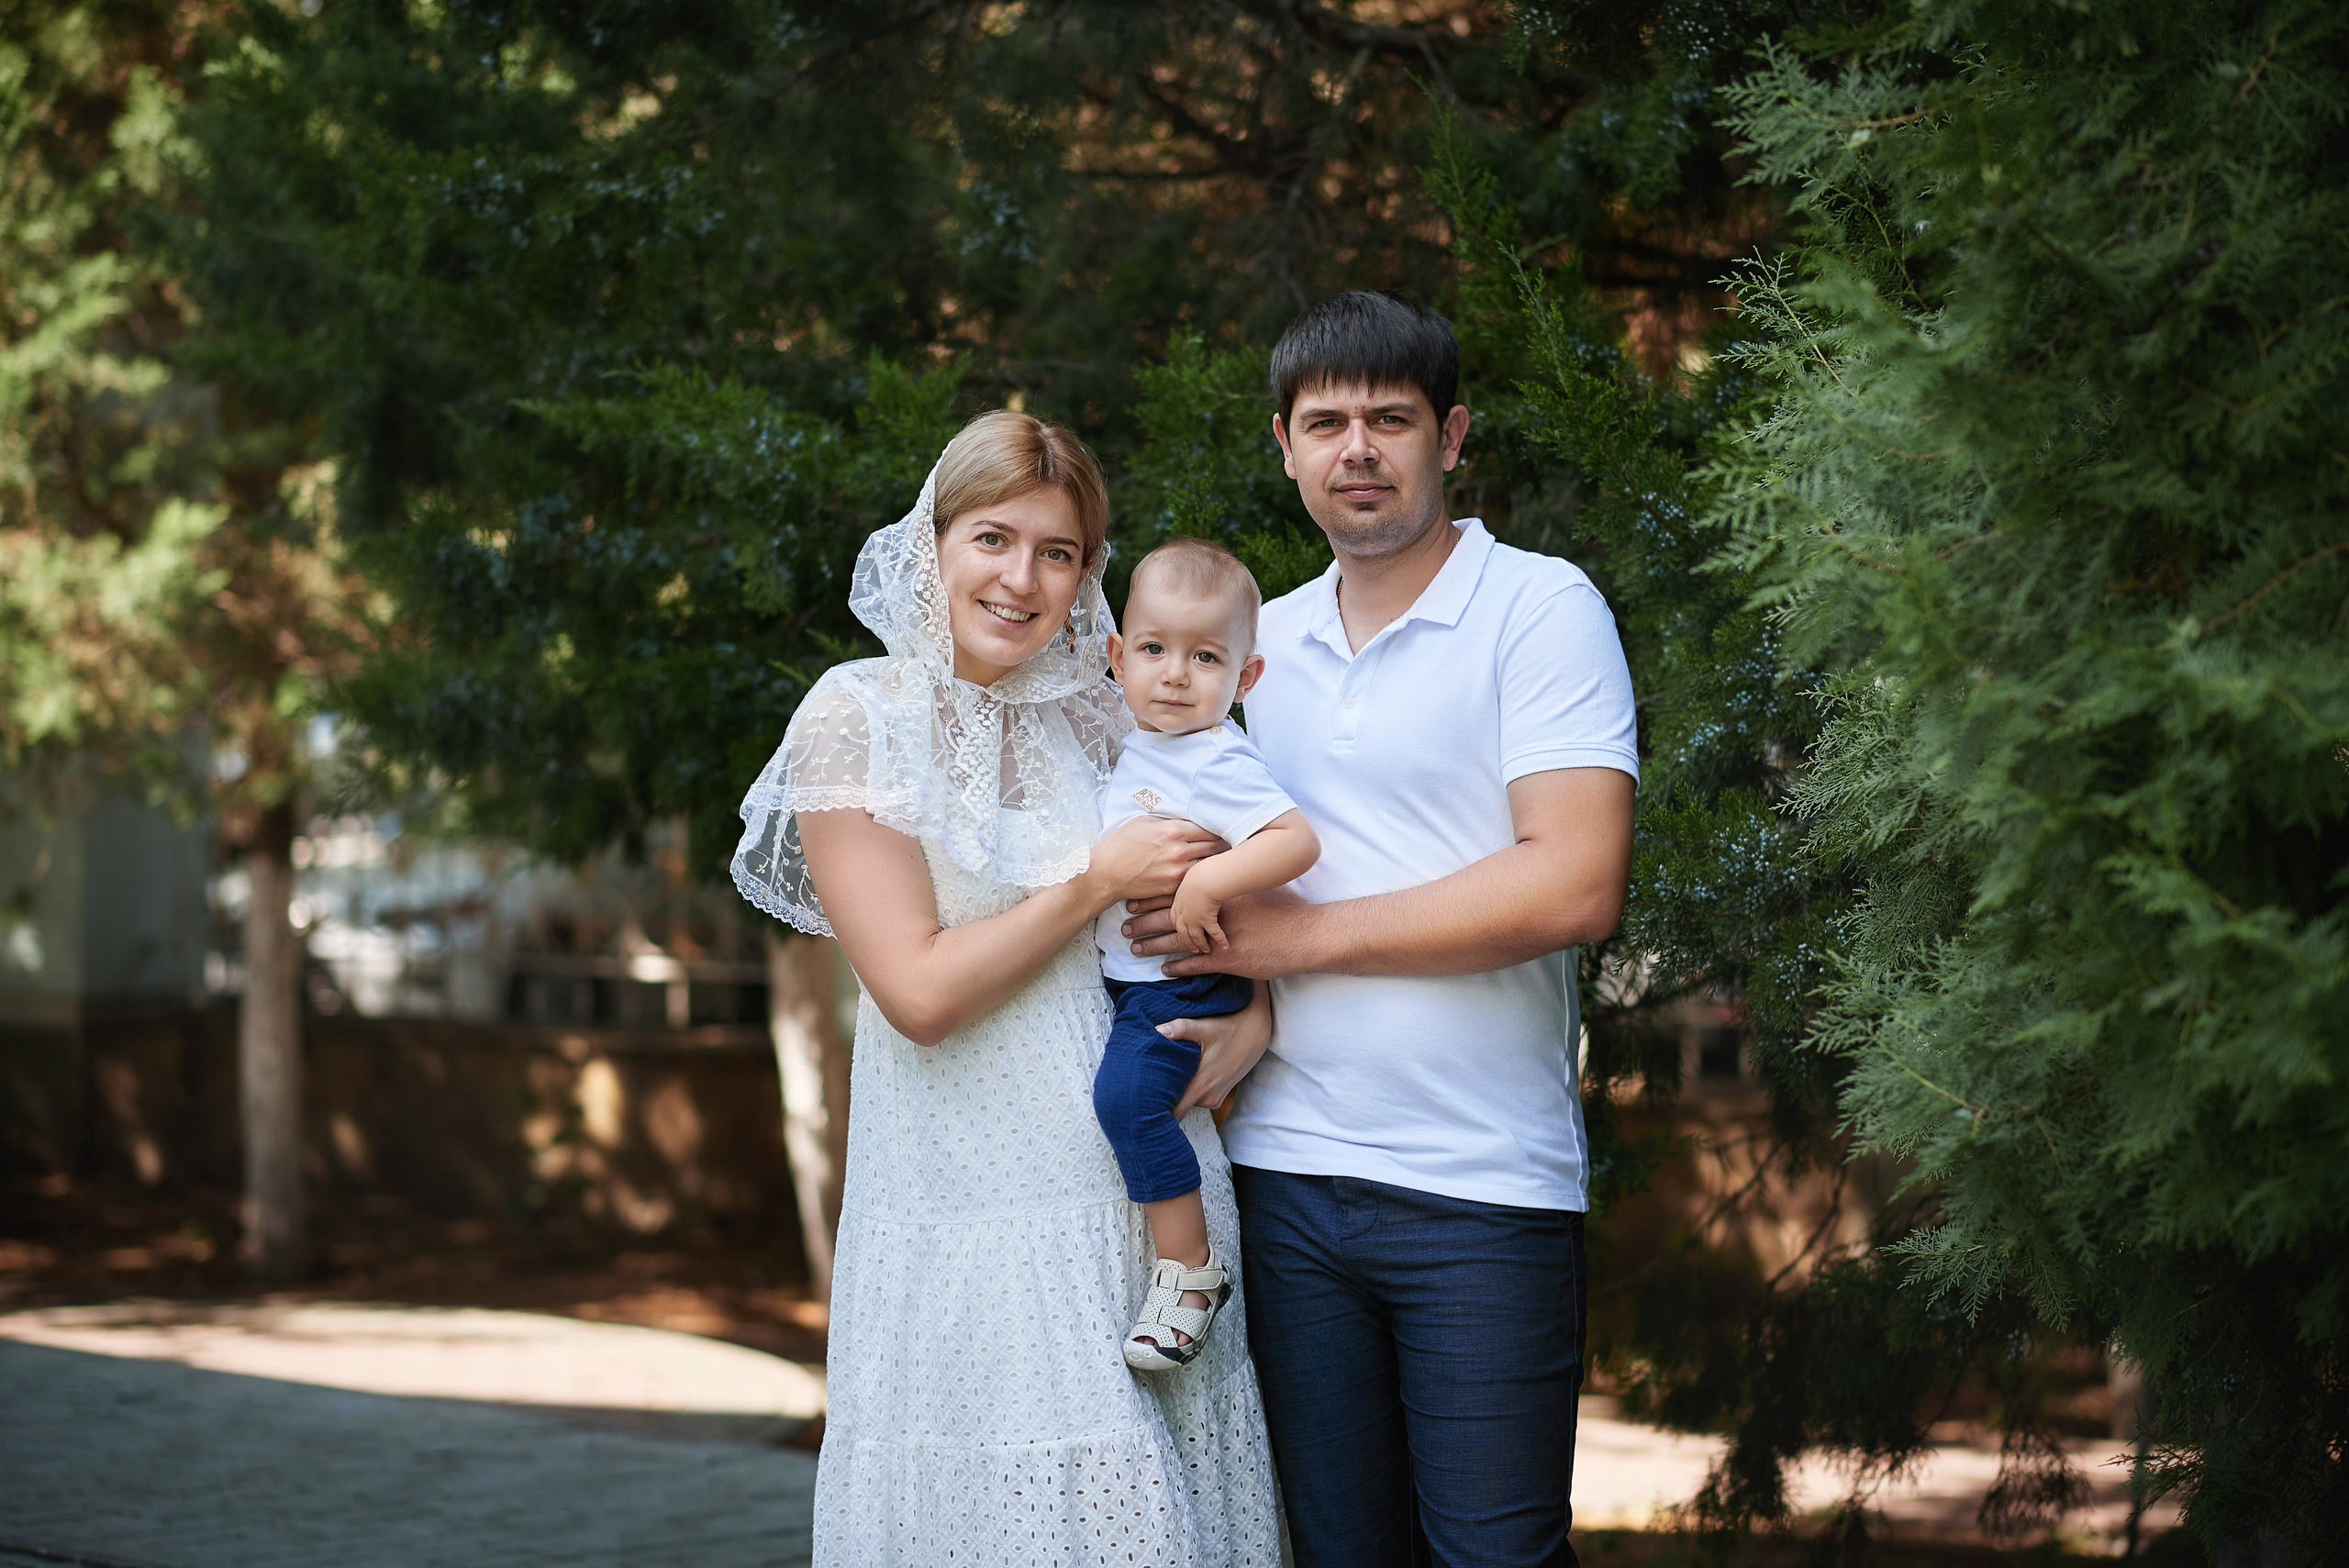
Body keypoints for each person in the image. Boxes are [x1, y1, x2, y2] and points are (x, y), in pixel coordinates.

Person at [1121, 291, 1640, 1567]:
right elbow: (1188, 869)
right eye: (1327, 421)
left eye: (1392, 419)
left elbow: (1574, 886)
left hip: (1480, 1185)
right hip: (1287, 1179)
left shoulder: (1540, 606)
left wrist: (1285, 947)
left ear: (1452, 436)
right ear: (1284, 446)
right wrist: (1244, 1010)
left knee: (1494, 1556)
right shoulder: (1250, 650)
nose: (1359, 447)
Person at [731, 411, 1283, 1566]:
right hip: (970, 1208)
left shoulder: (1107, 706)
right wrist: (1092, 883)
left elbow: (1218, 881)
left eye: (1060, 552)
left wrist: (1253, 1010)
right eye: (993, 538)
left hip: (1147, 1199)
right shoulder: (856, 716)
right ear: (931, 541)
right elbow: (917, 993)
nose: (1022, 578)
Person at [1090, 537, 1320, 1372]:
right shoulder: (1142, 742)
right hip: (1135, 983)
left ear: (1245, 678)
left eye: (1206, 656)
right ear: (1117, 657)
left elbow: (1295, 840)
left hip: (1181, 989)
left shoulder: (1218, 755)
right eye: (1154, 649)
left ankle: (1190, 1276)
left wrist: (1212, 880)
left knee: (1127, 1101)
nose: (1176, 674)